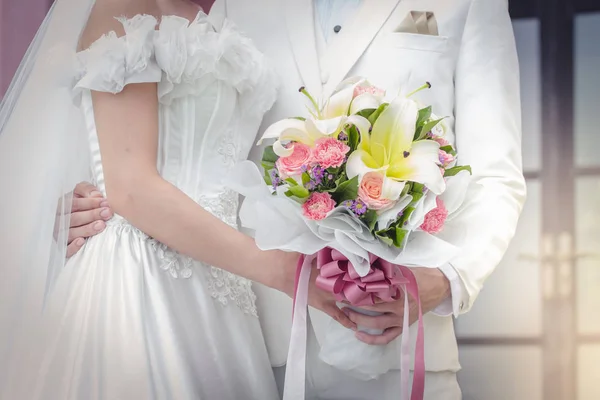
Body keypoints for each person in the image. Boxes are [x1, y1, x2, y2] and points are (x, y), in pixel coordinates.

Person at [69, 0, 526, 399]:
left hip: (394, 341)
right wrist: (94, 201)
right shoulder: (234, 6)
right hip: (253, 340)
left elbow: (496, 174)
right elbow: (179, 133)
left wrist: (449, 278)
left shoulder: (467, 3)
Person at [0, 0, 355, 399]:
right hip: (141, 280)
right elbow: (132, 186)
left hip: (226, 287)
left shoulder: (228, 12)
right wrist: (285, 271)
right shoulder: (125, 8)